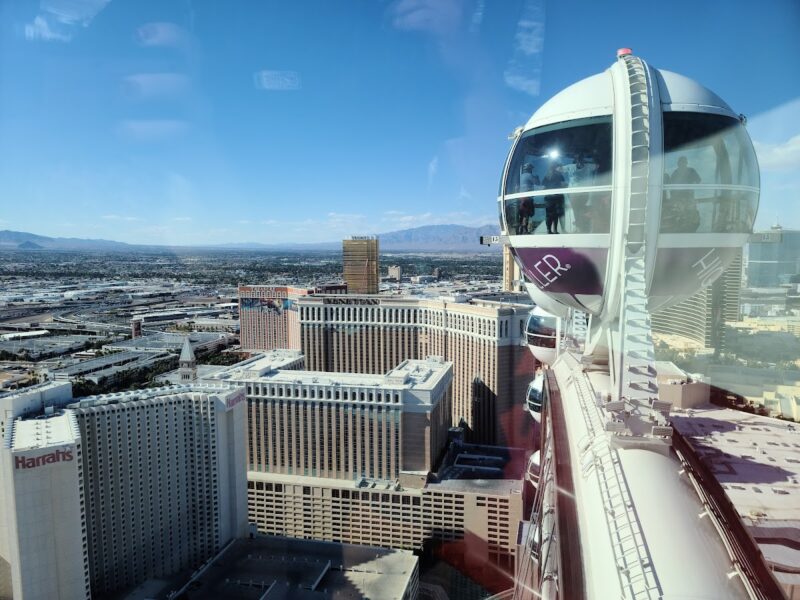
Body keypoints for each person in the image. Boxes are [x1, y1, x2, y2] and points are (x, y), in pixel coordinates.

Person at [542, 163, 565, 234]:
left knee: (549, 215)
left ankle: (549, 230)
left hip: (549, 198)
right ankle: (555, 230)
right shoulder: (559, 175)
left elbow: (543, 186)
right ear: (555, 167)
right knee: (556, 215)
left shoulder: (546, 175)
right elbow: (563, 184)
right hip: (557, 197)